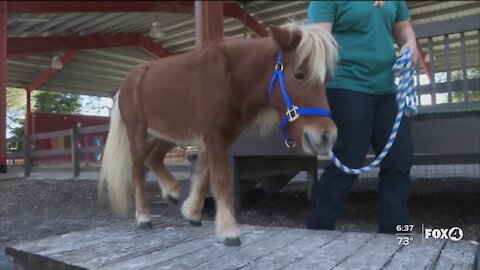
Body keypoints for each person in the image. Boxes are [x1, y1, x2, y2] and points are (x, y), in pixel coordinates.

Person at [306, 0, 419, 234]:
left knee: (399, 159)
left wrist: (410, 43)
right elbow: (320, 43)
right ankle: (318, 228)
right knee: (349, 159)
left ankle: (397, 232)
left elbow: (402, 26)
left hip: (388, 87)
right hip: (346, 83)